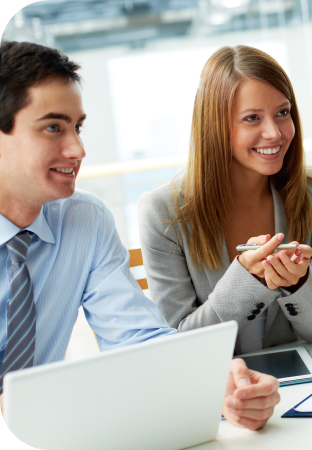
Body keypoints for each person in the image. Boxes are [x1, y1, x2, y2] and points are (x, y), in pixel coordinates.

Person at [0, 41, 279, 431]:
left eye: (77, 127)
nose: (78, 149)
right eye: (53, 128)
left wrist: (213, 379)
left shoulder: (84, 220)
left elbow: (135, 336)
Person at [138, 45, 312, 355]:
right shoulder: (162, 212)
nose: (274, 133)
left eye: (282, 113)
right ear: (216, 126)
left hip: (295, 376)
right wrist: (246, 279)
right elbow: (180, 344)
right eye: (252, 118)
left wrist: (298, 283)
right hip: (215, 381)